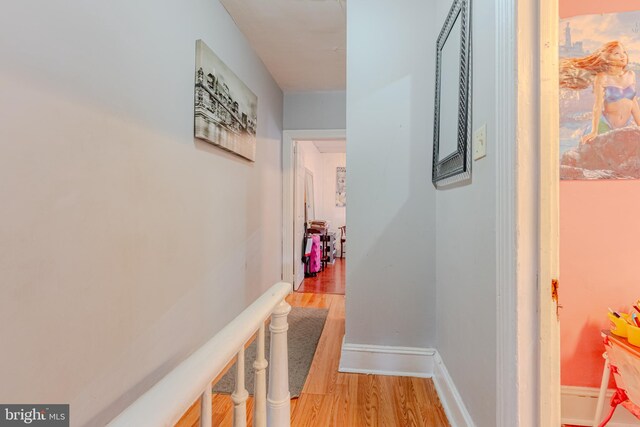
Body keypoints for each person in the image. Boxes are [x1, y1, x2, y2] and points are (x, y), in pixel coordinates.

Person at [560, 41, 640, 144]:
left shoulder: (631, 75)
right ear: (607, 59)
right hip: (606, 124)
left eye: (624, 52)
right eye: (616, 53)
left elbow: (633, 102)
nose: (622, 56)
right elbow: (597, 106)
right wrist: (594, 131)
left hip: (626, 125)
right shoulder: (602, 77)